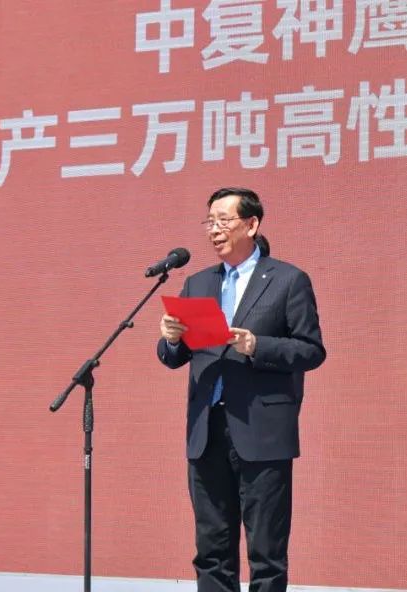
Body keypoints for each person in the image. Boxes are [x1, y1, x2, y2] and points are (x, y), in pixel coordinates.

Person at [158, 188, 326, 592]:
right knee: (211, 550)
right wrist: (171, 340)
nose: (214, 230)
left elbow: (311, 350)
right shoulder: (198, 283)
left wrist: (257, 346)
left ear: (251, 224)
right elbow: (173, 357)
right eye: (210, 222)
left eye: (224, 220)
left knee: (266, 552)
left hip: (261, 430)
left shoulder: (287, 280)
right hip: (207, 430)